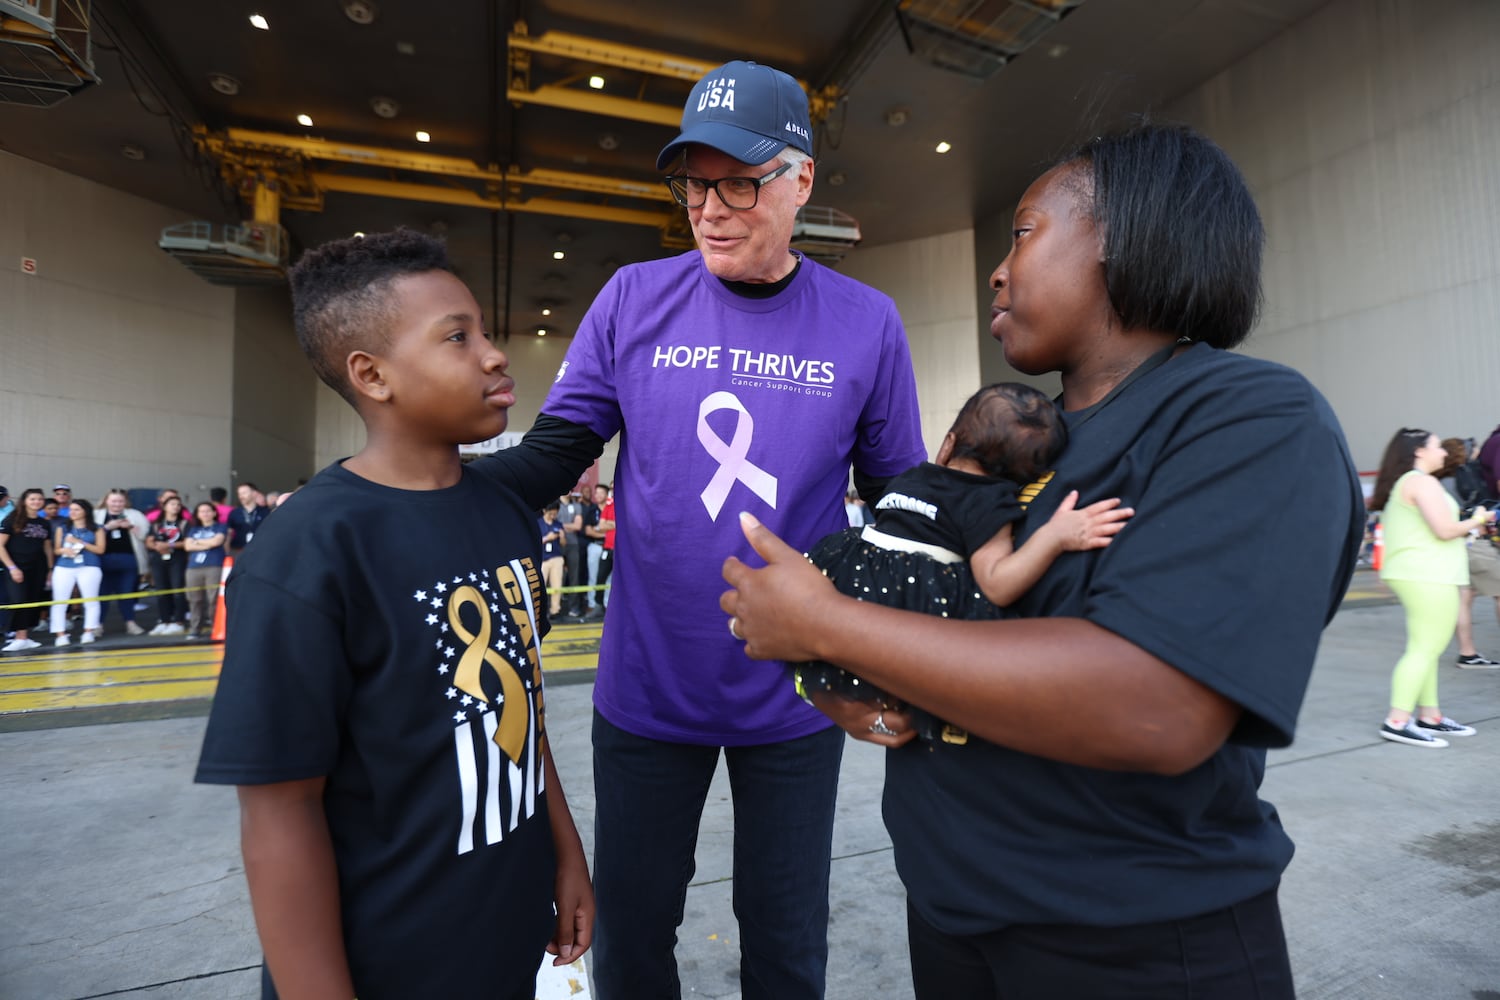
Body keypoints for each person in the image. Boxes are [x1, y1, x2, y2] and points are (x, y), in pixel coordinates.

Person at [720, 121, 1363, 999]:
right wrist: (851, 684)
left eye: (1023, 233)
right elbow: (937, 615)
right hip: (951, 912)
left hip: (1128, 942)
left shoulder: (1250, 416)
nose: (998, 267)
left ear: (1130, 237)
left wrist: (829, 621)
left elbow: (1156, 707)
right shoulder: (1019, 445)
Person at [525, 59, 926, 1000]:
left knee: (786, 940)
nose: (709, 206)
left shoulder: (866, 323)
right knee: (635, 931)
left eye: (739, 181)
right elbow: (552, 454)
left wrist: (910, 645)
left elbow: (900, 502)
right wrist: (417, 491)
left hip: (795, 699)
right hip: (647, 686)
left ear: (801, 183)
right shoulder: (633, 297)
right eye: (694, 181)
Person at [194, 229, 592, 1000]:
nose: (494, 354)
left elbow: (517, 712)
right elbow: (280, 815)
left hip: (505, 936)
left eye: (482, 330)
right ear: (372, 375)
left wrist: (565, 853)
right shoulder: (308, 553)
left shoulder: (502, 514)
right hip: (390, 964)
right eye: (457, 337)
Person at [795, 383, 1132, 741]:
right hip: (911, 605)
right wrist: (1054, 536)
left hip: (850, 583)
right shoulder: (989, 503)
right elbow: (997, 584)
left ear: (948, 446)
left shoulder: (913, 477)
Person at [1370, 428, 1492, 747]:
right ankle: (1397, 721)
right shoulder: (1421, 482)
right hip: (1427, 574)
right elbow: (1444, 530)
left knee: (1425, 646)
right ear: (1419, 451)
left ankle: (1430, 716)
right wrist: (1479, 518)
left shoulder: (1411, 482)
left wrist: (1469, 529)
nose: (1443, 452)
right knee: (1424, 649)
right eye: (1437, 447)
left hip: (1421, 572)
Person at [1439, 437, 1500, 667]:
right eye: (1473, 449)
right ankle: (1468, 654)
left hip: (1457, 545)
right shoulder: (1466, 476)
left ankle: (1468, 653)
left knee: (1464, 597)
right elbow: (1478, 510)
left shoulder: (1441, 481)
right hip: (1475, 542)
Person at [1, 489, 55, 652]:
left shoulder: (44, 523)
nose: (36, 502)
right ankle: (17, 636)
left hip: (37, 567)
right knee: (18, 599)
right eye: (32, 499)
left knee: (32, 600)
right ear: (25, 501)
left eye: (39, 499)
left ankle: (24, 636)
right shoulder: (12, 519)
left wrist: (50, 569)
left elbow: (47, 547)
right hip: (16, 566)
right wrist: (12, 567)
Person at [51, 498, 106, 645]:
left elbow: (100, 549)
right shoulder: (62, 528)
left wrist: (81, 542)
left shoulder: (97, 528)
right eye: (71, 509)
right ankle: (60, 635)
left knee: (90, 600)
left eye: (77, 509)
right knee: (59, 601)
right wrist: (65, 550)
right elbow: (56, 549)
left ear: (85, 512)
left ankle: (89, 631)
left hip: (89, 565)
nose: (72, 512)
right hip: (64, 566)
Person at [95, 489, 148, 636]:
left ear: (125, 502)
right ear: (106, 501)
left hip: (128, 559)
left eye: (120, 501)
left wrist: (131, 527)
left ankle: (130, 623)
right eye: (113, 501)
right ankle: (98, 625)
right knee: (101, 594)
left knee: (127, 593)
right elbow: (88, 536)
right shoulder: (96, 515)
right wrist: (106, 528)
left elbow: (144, 535)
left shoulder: (135, 514)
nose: (117, 504)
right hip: (103, 560)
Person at [146, 493, 191, 635]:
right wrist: (156, 546)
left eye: (178, 505)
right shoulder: (156, 524)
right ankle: (164, 620)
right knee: (161, 590)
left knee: (177, 589)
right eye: (172, 504)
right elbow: (148, 540)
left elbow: (187, 542)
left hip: (177, 558)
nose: (175, 507)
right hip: (159, 559)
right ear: (164, 507)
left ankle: (178, 620)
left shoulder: (184, 524)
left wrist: (169, 544)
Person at [182, 501, 227, 639]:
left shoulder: (221, 526)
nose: (205, 514)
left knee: (214, 599)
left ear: (214, 513)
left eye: (208, 511)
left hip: (214, 565)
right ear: (197, 514)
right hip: (194, 567)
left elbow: (217, 542)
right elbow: (187, 546)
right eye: (202, 511)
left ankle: (216, 626)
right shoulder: (193, 529)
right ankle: (195, 628)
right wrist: (207, 543)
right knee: (194, 599)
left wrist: (197, 542)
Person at [583, 483, 610, 618]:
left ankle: (606, 604)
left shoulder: (612, 509)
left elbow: (615, 528)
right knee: (594, 576)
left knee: (609, 578)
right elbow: (589, 531)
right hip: (595, 546)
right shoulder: (591, 510)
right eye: (596, 493)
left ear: (607, 494)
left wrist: (601, 529)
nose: (598, 495)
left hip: (610, 548)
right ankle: (593, 604)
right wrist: (605, 532)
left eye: (601, 493)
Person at [225, 482, 269, 556]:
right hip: (238, 550)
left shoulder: (265, 512)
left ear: (254, 493)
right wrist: (226, 552)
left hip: (260, 550)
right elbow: (228, 534)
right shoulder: (234, 513)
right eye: (239, 494)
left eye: (244, 493)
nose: (241, 496)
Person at [539, 501, 565, 619]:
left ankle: (555, 610)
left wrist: (562, 536)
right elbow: (534, 542)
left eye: (555, 514)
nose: (553, 516)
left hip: (556, 557)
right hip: (542, 559)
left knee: (556, 585)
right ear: (544, 511)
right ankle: (540, 611)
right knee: (540, 586)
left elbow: (564, 544)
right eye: (551, 514)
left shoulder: (558, 524)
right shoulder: (538, 524)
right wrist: (547, 538)